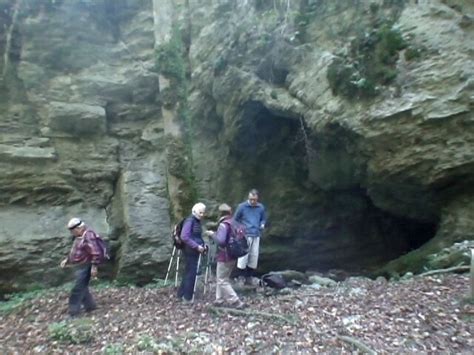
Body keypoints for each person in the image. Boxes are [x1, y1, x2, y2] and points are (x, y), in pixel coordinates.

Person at [60, 218, 101, 317]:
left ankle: (73, 312)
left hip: (86, 266)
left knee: (77, 289)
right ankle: (90, 306)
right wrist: (67, 260)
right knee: (83, 287)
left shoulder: (88, 236)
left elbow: (96, 252)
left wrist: (94, 267)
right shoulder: (79, 236)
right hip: (79, 266)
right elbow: (76, 251)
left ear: (80, 228)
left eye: (73, 231)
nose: (72, 233)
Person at [207, 203, 245, 308]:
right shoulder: (234, 223)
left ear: (220, 213)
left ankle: (236, 301)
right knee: (222, 277)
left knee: (222, 280)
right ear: (230, 212)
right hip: (233, 255)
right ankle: (218, 299)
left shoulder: (224, 225)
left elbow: (221, 241)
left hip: (225, 256)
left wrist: (212, 234)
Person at [234, 189, 267, 284]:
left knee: (254, 256)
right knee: (243, 257)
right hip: (245, 235)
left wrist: (262, 224)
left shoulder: (261, 207)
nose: (252, 201)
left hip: (256, 235)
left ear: (257, 199)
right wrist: (239, 229)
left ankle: (249, 277)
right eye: (251, 199)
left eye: (254, 200)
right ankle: (240, 277)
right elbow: (235, 220)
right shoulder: (242, 207)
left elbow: (263, 218)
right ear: (248, 198)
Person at [177, 202, 207, 303]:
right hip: (190, 250)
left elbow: (196, 236)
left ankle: (181, 294)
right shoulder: (190, 221)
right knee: (191, 273)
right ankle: (187, 297)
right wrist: (197, 246)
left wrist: (202, 245)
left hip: (194, 250)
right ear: (194, 211)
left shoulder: (196, 221)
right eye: (200, 212)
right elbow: (184, 236)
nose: (202, 215)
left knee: (188, 272)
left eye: (203, 213)